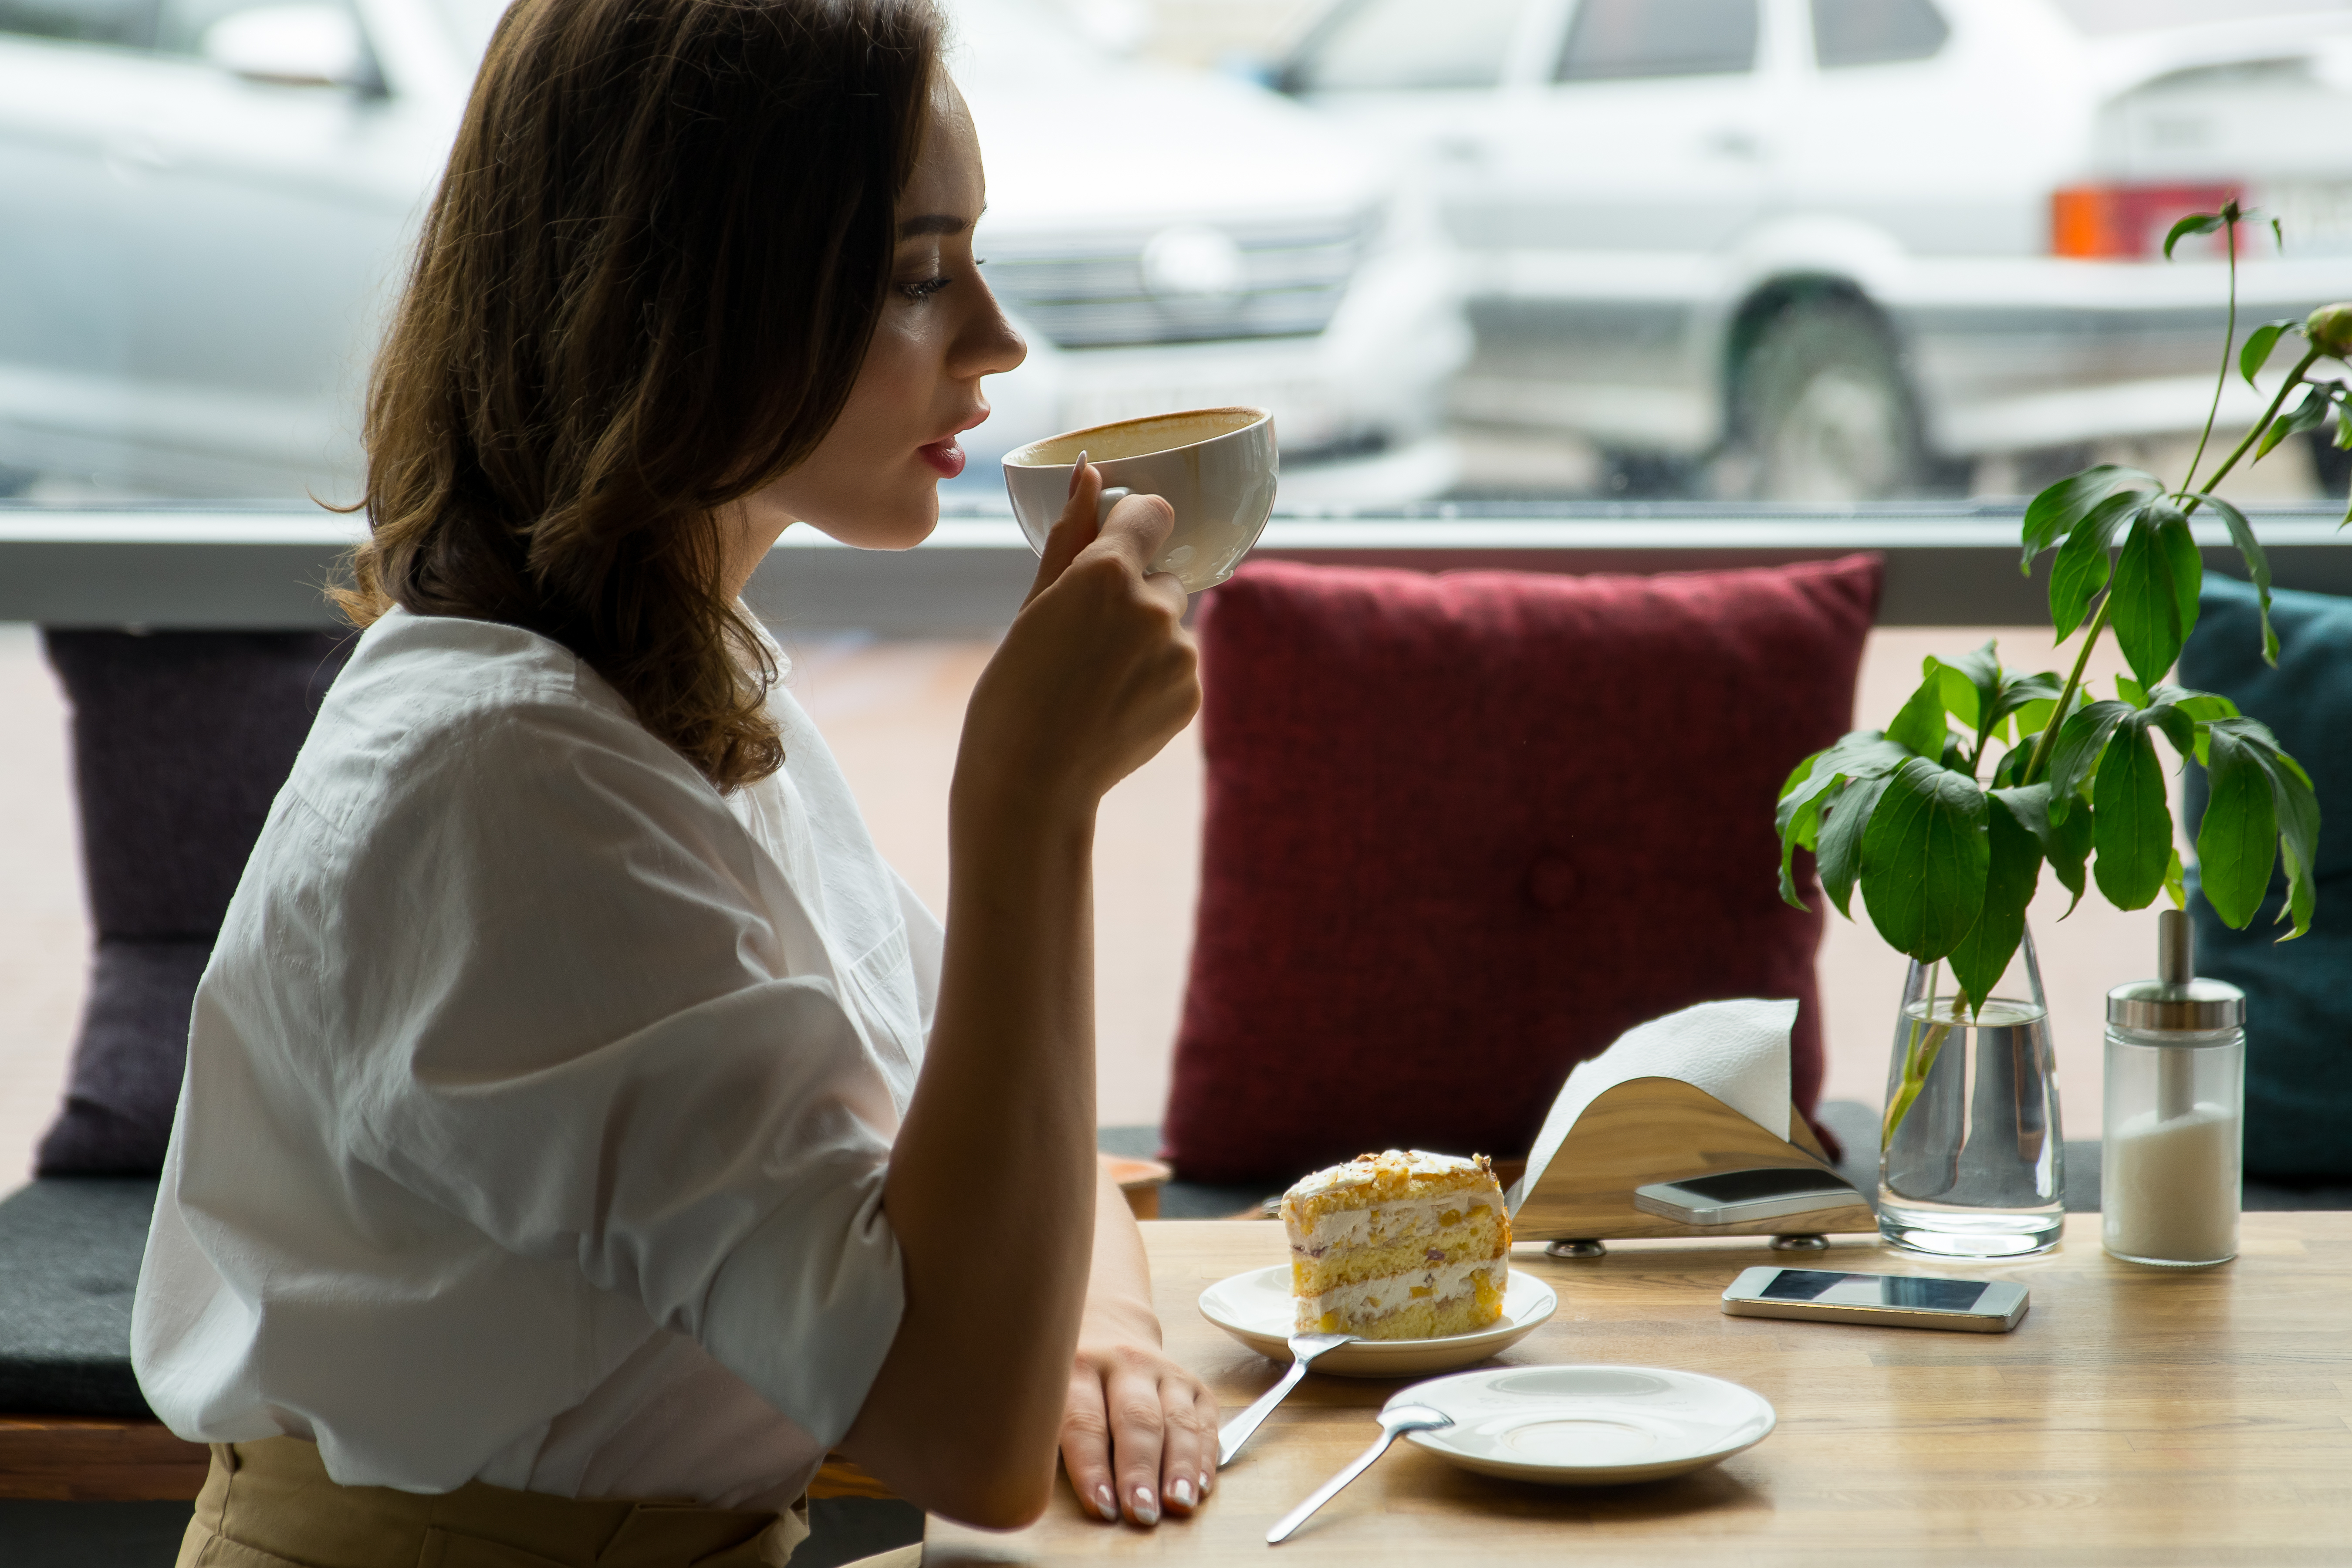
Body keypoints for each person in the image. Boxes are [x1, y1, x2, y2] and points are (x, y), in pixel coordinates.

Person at [129, 0, 1212, 1562]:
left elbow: (1016, 1165)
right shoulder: (505, 785)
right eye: (918, 274)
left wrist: (1100, 1332)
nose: (997, 338)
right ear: (684, 296)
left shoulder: (689, 686)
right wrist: (1032, 798)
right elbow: (961, 1426)